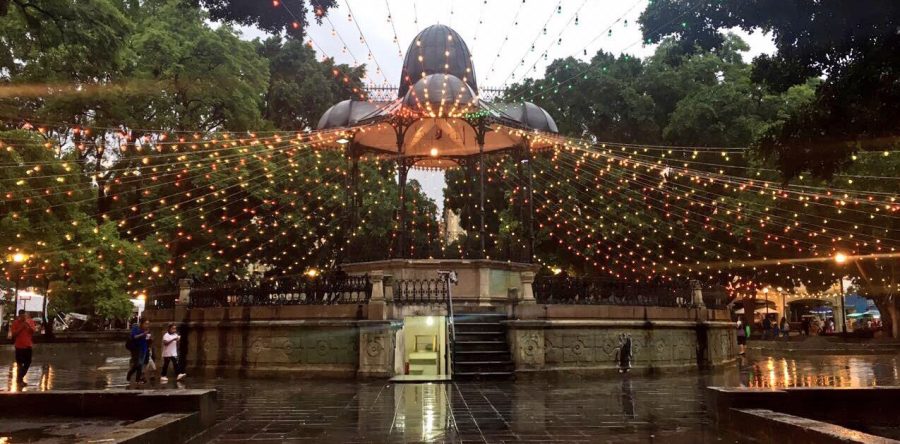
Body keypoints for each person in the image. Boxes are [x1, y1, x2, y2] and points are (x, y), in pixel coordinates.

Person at [10, 310, 36, 386]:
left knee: (28, 362)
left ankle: (19, 378)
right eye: (21, 316)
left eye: (24, 316)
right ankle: (20, 380)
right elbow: (14, 334)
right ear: (19, 316)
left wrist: (28, 325)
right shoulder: (15, 323)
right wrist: (21, 327)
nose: (23, 317)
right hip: (19, 346)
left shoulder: (30, 321)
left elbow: (33, 331)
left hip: (28, 345)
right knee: (20, 364)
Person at [126, 319, 150, 384]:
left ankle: (137, 379)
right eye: (146, 324)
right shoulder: (136, 328)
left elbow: (146, 339)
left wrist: (149, 338)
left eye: (148, 324)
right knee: (138, 364)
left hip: (144, 348)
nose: (147, 325)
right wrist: (143, 334)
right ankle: (130, 374)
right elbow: (134, 337)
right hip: (136, 349)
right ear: (141, 323)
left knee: (140, 364)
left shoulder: (146, 330)